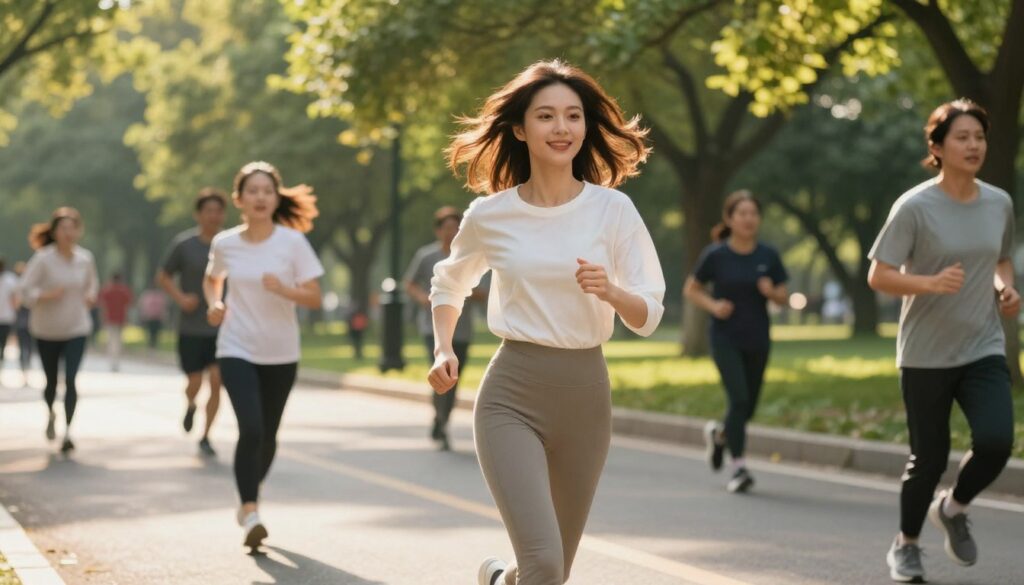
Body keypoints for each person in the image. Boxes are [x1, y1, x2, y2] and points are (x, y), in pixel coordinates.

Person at [429, 60, 664, 585]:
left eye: (574, 116)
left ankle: (499, 581)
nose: (562, 128)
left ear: (586, 126)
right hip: (512, 393)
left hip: (587, 397)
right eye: (546, 116)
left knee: (547, 573)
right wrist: (444, 347)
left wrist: (613, 292)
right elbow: (450, 282)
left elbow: (649, 314)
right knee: (545, 565)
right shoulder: (491, 215)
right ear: (520, 128)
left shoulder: (614, 210)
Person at [867, 99, 1017, 583]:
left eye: (980, 136)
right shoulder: (915, 206)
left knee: (996, 441)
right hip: (925, 351)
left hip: (983, 345)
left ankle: (953, 508)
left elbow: (998, 261)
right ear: (937, 146)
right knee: (928, 459)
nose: (974, 145)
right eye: (962, 137)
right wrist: (929, 283)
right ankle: (906, 545)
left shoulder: (999, 202)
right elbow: (879, 275)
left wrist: (1005, 288)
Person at [204, 161, 323, 551]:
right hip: (236, 346)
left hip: (281, 351)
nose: (260, 197)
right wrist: (215, 302)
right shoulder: (225, 243)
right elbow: (212, 278)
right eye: (252, 190)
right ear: (239, 198)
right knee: (251, 428)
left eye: (267, 191)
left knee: (269, 434)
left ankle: (249, 499)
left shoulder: (292, 243)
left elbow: (314, 296)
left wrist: (286, 290)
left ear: (276, 198)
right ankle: (250, 510)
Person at [683, 190, 789, 493]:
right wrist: (714, 306)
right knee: (739, 399)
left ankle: (720, 436)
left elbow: (784, 296)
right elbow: (692, 289)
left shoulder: (768, 256)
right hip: (725, 337)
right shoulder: (716, 255)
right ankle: (739, 467)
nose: (748, 219)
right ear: (729, 218)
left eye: (753, 213)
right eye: (742, 213)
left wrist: (772, 292)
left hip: (758, 338)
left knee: (749, 406)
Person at [17, 207, 98, 453]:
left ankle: (68, 432)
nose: (68, 232)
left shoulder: (85, 259)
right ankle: (51, 411)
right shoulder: (43, 258)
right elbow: (24, 291)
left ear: (79, 231)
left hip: (77, 327)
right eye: (63, 228)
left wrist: (91, 296)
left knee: (71, 379)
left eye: (73, 227)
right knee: (52, 381)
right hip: (47, 330)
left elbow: (92, 284)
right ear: (54, 231)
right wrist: (45, 295)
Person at [404, 205, 486, 451]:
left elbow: (485, 292)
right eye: (446, 228)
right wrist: (422, 298)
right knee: (441, 372)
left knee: (455, 379)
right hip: (433, 330)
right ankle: (440, 419)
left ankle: (443, 419)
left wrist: (461, 292)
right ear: (438, 231)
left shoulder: (470, 255)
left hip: (462, 329)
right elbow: (409, 283)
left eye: (455, 228)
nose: (451, 233)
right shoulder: (426, 256)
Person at [157, 188, 228, 457]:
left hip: (221, 326)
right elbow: (163, 276)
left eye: (218, 211)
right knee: (195, 381)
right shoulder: (184, 245)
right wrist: (180, 297)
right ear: (199, 214)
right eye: (208, 210)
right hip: (190, 325)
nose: (214, 216)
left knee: (217, 380)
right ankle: (190, 404)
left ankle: (207, 435)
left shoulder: (231, 244)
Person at [98, 272, 134, 372]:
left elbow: (102, 305)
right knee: (118, 340)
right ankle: (116, 361)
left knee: (111, 340)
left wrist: (102, 317)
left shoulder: (107, 290)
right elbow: (128, 305)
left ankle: (112, 360)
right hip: (120, 319)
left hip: (110, 318)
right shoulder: (124, 291)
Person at [13, 261, 33, 386]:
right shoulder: (18, 286)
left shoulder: (29, 287)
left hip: (29, 323)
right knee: (25, 349)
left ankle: (26, 374)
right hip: (23, 322)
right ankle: (24, 374)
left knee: (27, 349)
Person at [0, 258, 17, 384]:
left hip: (6, 319)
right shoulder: (11, 280)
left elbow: (15, 298)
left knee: (2, 347)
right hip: (7, 318)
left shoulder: (10, 280)